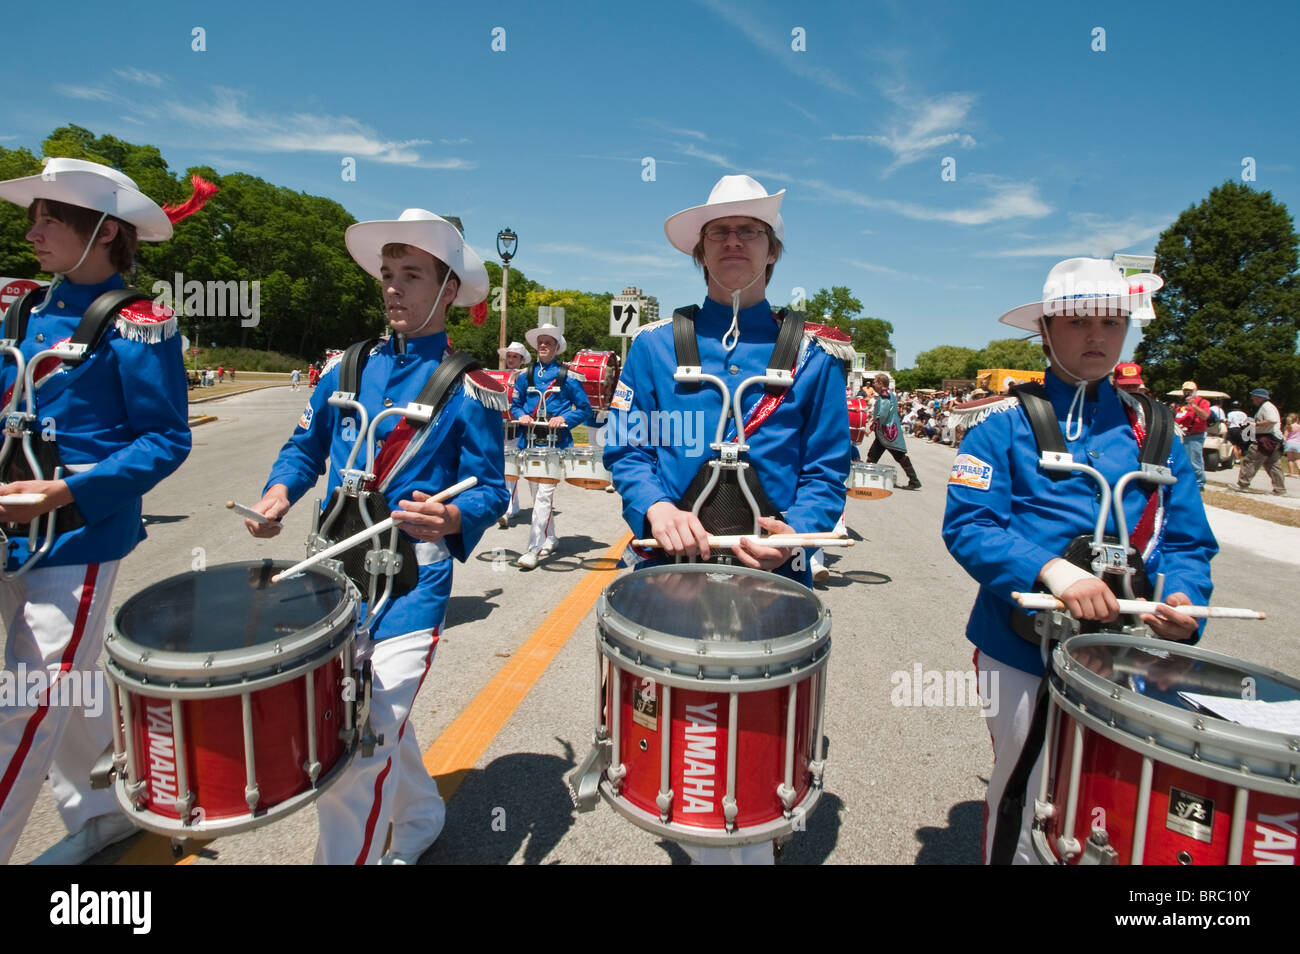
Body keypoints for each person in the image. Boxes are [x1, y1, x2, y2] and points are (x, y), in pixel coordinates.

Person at [246, 208, 507, 864]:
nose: (392, 287)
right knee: (373, 721)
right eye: (388, 274)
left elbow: (490, 489)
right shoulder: (346, 367)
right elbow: (304, 447)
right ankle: (419, 816)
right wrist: (278, 493)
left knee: (357, 750)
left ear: (448, 290)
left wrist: (453, 518)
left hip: (411, 586)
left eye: (411, 275)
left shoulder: (474, 388)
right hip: (334, 584)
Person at [605, 175, 849, 862]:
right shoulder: (654, 346)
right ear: (701, 251)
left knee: (756, 738)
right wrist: (653, 504)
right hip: (670, 573)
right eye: (720, 231)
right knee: (687, 734)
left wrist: (795, 528)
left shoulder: (816, 360)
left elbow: (826, 471)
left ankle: (748, 830)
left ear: (772, 253)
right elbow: (627, 447)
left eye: (749, 231)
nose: (734, 241)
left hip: (770, 577)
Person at [942, 257, 1216, 865]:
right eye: (1079, 322)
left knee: (1114, 808)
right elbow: (969, 525)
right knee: (1028, 791)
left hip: (1131, 651)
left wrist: (1184, 600)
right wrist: (1053, 571)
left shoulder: (1156, 430)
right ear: (1045, 331)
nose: (1097, 337)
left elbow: (1188, 541)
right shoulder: (999, 425)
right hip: (1022, 648)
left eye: (1112, 322)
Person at [0, 157, 204, 863]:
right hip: (7, 528)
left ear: (105, 232)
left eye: (51, 218)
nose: (34, 231)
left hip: (78, 540)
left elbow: (166, 439)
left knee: (21, 700)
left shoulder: (140, 323)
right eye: (33, 217)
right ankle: (113, 805)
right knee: (72, 691)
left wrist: (66, 493)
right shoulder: (21, 307)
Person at [509, 324, 591, 569]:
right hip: (531, 441)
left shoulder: (567, 376)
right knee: (537, 496)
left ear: (557, 347)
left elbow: (585, 409)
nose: (543, 345)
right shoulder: (526, 375)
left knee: (543, 496)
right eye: (540, 342)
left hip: (555, 444)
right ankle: (551, 537)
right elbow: (516, 405)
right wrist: (522, 415)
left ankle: (533, 548)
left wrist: (565, 419)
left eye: (549, 342)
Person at [866, 373, 922, 489]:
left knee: (899, 456)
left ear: (881, 383)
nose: (873, 384)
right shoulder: (888, 394)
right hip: (886, 433)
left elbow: (883, 414)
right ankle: (866, 478)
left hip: (888, 433)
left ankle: (914, 480)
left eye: (875, 382)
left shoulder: (885, 395)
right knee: (873, 455)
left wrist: (870, 429)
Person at [497, 341, 529, 529]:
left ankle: (507, 509)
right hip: (501, 425)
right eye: (509, 356)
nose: (511, 359)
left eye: (515, 357)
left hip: (516, 426)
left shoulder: (525, 377)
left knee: (512, 468)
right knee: (503, 468)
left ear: (522, 360)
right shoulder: (499, 376)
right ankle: (512, 506)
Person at [1235, 387, 1287, 495]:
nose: (1252, 399)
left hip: (1265, 438)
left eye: (1253, 397)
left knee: (1251, 460)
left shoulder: (1266, 407)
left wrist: (1256, 424)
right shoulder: (1268, 406)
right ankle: (1280, 489)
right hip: (1274, 439)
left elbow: (1272, 420)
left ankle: (1242, 484)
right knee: (1273, 464)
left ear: (1259, 398)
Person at [1173, 380, 1211, 489]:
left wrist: (1192, 404)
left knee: (1195, 460)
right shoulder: (1181, 403)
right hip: (1181, 435)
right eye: (1185, 391)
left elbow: (1205, 416)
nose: (1187, 393)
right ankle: (1184, 480)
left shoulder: (1202, 402)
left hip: (1195, 435)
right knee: (1181, 460)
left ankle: (1199, 483)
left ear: (1195, 391)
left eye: (1190, 391)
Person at [1284, 412, 1300, 478]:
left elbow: (1285, 436)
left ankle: (1291, 473)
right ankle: (1299, 468)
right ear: (1297, 419)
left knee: (1290, 459)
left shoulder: (1288, 427)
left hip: (1289, 443)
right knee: (1298, 459)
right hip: (1298, 444)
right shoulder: (1299, 426)